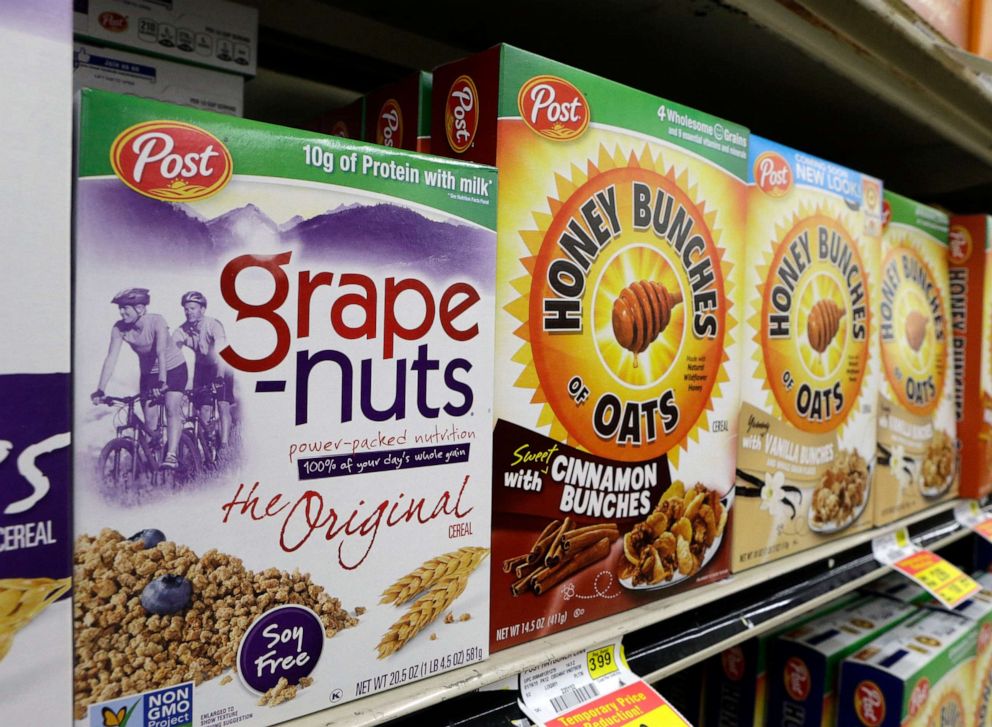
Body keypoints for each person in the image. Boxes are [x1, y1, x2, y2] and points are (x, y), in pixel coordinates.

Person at [91, 288, 188, 469]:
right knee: (150, 424)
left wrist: (162, 381)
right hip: (148, 374)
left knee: (171, 408)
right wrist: (100, 389)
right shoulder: (119, 328)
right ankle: (155, 461)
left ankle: (172, 454)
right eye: (119, 308)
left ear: (141, 309)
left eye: (125, 308)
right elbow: (111, 358)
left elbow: (160, 352)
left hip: (173, 369)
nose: (121, 312)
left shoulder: (157, 321)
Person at [173, 291, 235, 449]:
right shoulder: (182, 330)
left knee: (222, 404)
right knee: (203, 409)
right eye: (186, 309)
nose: (188, 312)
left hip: (223, 365)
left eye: (192, 308)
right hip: (202, 368)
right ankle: (206, 445)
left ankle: (225, 446)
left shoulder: (213, 325)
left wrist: (220, 376)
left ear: (202, 309)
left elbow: (223, 352)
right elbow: (171, 352)